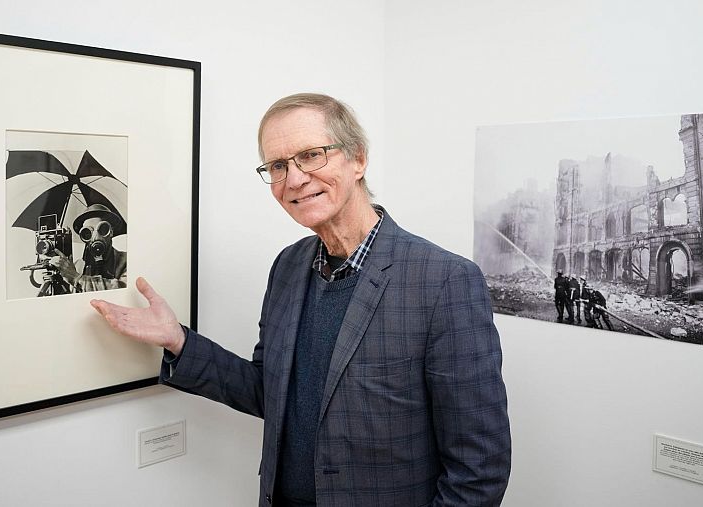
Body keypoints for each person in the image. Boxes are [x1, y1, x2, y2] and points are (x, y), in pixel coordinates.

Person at [89, 93, 511, 506]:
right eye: (277, 165)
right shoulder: (288, 266)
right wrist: (178, 340)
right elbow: (268, 391)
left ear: (358, 159)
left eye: (311, 155)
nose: (293, 179)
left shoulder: (444, 281)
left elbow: (478, 470)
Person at [49, 203, 127, 292]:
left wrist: (76, 278)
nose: (95, 237)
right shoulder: (78, 266)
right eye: (88, 233)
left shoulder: (126, 261)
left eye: (102, 229)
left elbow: (122, 289)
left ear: (111, 232)